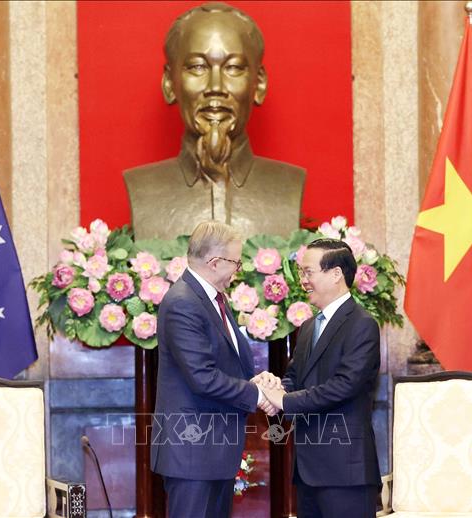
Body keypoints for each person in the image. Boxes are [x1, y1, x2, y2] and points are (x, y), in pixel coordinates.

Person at [124, 2, 305, 240]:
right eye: (198, 67)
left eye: (233, 68)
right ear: (169, 83)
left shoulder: (288, 185)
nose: (215, 87)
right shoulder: (143, 187)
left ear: (259, 84)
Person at [151, 220, 278, 518]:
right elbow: (202, 377)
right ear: (215, 262)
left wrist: (256, 380)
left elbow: (223, 363)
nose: (239, 269)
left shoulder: (212, 299)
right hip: (192, 451)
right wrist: (257, 394)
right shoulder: (183, 302)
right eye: (236, 262)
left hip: (212, 451)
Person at [260, 238, 382, 518]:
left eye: (308, 272)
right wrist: (271, 390)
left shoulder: (362, 324)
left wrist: (285, 401)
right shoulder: (307, 327)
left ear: (336, 273)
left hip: (346, 471)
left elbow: (345, 385)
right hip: (307, 470)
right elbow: (294, 379)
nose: (303, 280)